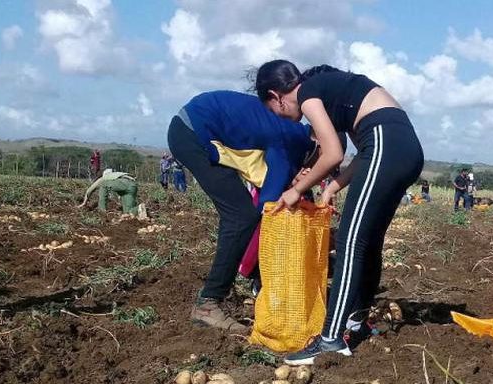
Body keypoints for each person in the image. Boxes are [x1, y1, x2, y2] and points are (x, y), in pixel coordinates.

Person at [255, 60, 424, 365]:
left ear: (276, 96)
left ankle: (330, 339)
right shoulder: (335, 92)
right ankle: (356, 322)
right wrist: (332, 187)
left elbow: (334, 152)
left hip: (385, 146)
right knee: (368, 241)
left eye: (273, 109)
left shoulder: (306, 93)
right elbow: (364, 153)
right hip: (404, 150)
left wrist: (296, 189)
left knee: (349, 242)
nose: (283, 117)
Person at [167, 90, 316, 334]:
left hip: (196, 125)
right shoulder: (289, 140)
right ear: (317, 147)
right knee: (241, 216)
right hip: (192, 132)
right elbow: (268, 204)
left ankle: (251, 278)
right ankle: (208, 304)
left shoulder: (292, 131)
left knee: (245, 215)